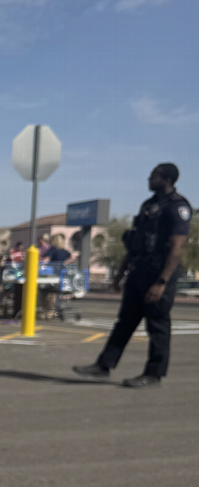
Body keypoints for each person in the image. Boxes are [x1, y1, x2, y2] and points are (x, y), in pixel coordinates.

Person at [74, 163, 191, 388]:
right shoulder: (149, 205)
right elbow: (135, 242)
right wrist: (119, 274)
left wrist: (161, 282)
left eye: (153, 176)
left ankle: (153, 374)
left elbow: (178, 246)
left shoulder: (178, 207)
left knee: (157, 325)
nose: (149, 179)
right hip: (139, 270)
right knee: (125, 321)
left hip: (160, 272)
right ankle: (103, 366)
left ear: (167, 180)